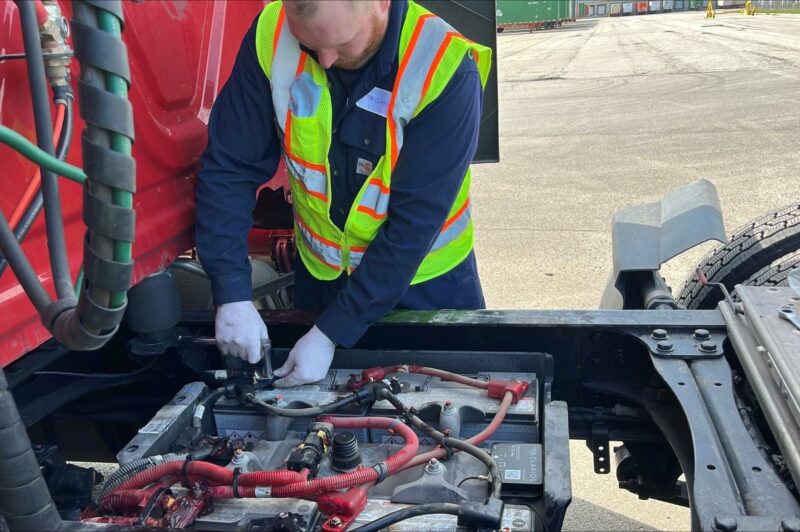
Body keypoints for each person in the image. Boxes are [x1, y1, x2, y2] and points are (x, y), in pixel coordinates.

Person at [195, 0, 491, 387]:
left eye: (343, 44)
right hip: (322, 280)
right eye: (310, 46)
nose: (326, 61)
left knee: (443, 419)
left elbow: (412, 227)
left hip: (425, 288)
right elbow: (230, 166)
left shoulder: (444, 65)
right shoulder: (272, 33)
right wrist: (231, 291)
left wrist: (330, 333)